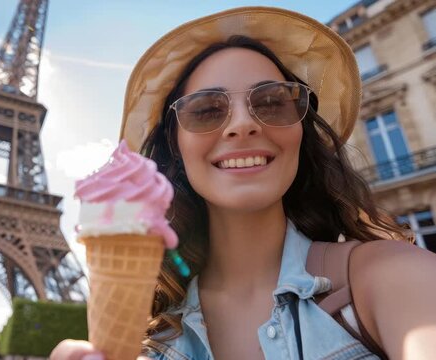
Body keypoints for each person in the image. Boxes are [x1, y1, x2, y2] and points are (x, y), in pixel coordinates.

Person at [51, 6, 436, 360]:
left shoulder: (388, 274)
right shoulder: (148, 342)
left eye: (272, 102)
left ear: (301, 134)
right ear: (176, 146)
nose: (242, 124)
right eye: (205, 110)